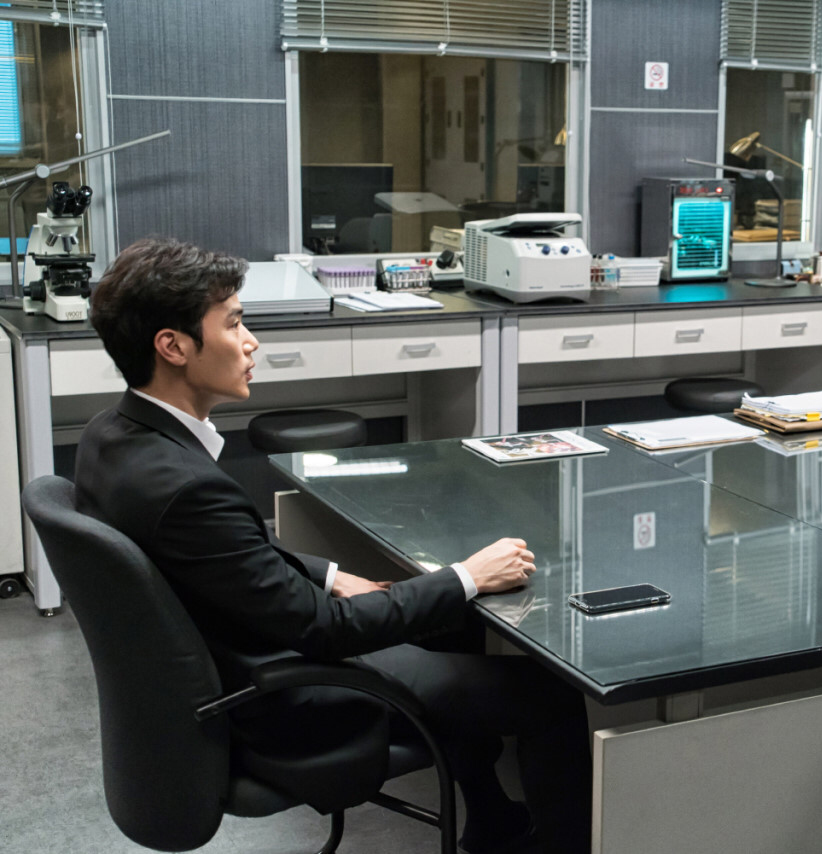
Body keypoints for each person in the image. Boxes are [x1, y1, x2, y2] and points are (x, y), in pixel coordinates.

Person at [75, 237, 589, 854]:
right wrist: (468, 576)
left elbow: (225, 556)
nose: (250, 342)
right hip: (281, 694)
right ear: (174, 346)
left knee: (449, 625)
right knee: (551, 692)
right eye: (233, 323)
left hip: (234, 660)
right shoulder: (188, 488)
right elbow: (325, 630)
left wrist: (325, 572)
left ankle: (494, 820)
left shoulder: (113, 436)